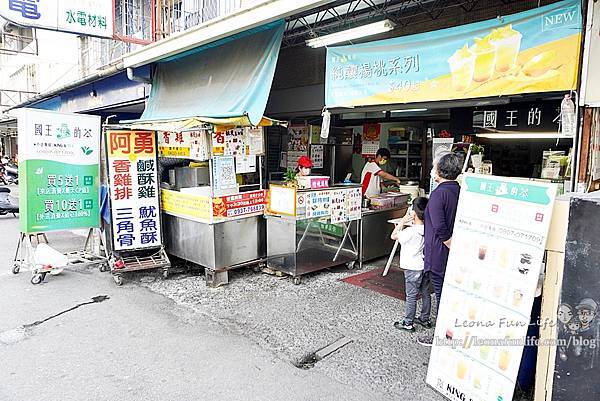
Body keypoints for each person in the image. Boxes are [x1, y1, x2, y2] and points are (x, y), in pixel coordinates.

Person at [419, 152, 461, 345]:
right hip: (452, 251)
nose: (432, 170)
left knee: (443, 295)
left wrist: (449, 244)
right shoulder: (458, 189)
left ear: (439, 171)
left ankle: (443, 336)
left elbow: (440, 227)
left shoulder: (438, 193)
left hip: (439, 252)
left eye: (434, 166)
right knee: (450, 293)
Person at [392, 197, 432, 332]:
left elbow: (394, 235)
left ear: (413, 213)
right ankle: (424, 319)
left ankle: (408, 323)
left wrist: (403, 220)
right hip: (423, 265)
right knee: (425, 292)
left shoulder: (410, 232)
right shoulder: (428, 229)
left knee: (411, 296)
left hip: (411, 268)